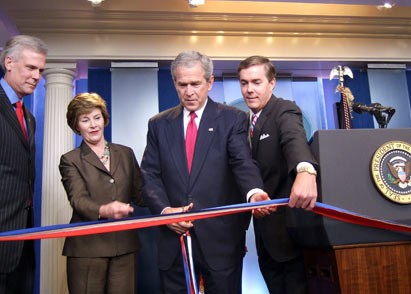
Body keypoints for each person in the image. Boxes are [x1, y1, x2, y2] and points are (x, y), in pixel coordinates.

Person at [141, 51, 272, 294]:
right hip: (174, 242)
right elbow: (149, 175)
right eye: (182, 85)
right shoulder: (158, 124)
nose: (189, 91)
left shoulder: (232, 119)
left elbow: (242, 162)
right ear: (175, 84)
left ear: (210, 83)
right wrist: (166, 212)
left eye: (195, 84)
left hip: (221, 241)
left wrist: (254, 193)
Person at [238, 55, 318, 294]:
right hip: (264, 238)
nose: (249, 90)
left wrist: (305, 169)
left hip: (290, 238)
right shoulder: (243, 123)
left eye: (256, 82)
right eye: (244, 83)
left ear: (272, 83)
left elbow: (294, 140)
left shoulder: (285, 110)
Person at [59, 93, 144, 294]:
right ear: (76, 125)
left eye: (97, 117)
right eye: (85, 120)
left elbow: (141, 193)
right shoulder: (70, 160)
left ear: (104, 118)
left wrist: (169, 201)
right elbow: (78, 200)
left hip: (124, 246)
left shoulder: (125, 153)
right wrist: (105, 209)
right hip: (87, 249)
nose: (93, 125)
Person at [0, 34, 47, 293]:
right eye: (30, 67)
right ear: (9, 62)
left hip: (22, 240)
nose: (37, 75)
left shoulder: (28, 116)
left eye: (40, 69)